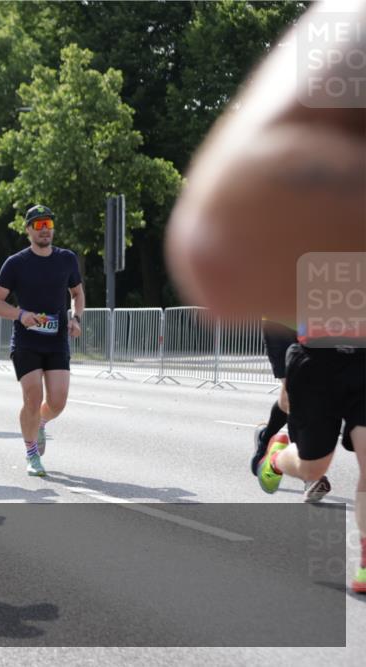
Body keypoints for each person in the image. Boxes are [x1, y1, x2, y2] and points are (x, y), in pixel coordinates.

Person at [165, 0, 365, 594]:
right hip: (319, 354)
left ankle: (362, 562)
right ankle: (276, 454)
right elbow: (222, 256)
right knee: (316, 464)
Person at [0, 205, 85, 477]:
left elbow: (77, 293)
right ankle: (31, 454)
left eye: (49, 224)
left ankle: (40, 423)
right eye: (39, 225)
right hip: (26, 342)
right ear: (28, 229)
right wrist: (21, 314)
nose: (45, 230)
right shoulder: (16, 263)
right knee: (33, 397)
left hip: (56, 341)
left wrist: (76, 319)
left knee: (58, 401)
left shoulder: (66, 259)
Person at [253, 319, 330, 503]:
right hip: (278, 324)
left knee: (290, 398)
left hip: (314, 324)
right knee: (294, 397)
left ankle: (265, 438)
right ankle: (310, 475)